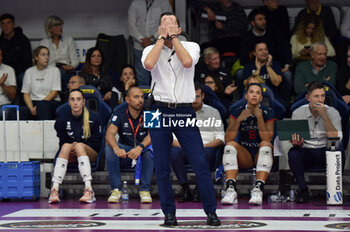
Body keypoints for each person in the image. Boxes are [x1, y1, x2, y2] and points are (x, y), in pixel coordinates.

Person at [141, 12, 220, 226]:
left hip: (184, 109)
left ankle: (211, 212)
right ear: (158, 28)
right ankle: (169, 214)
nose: (168, 27)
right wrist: (160, 39)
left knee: (199, 162)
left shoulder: (191, 46)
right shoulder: (150, 48)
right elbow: (148, 65)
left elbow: (186, 63)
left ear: (179, 27)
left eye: (172, 23)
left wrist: (174, 38)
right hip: (157, 109)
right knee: (162, 164)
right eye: (164, 24)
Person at [221, 83, 276, 205]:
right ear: (246, 95)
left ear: (261, 98)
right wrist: (239, 120)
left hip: (260, 153)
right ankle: (231, 189)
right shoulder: (236, 112)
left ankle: (258, 189)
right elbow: (228, 138)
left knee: (266, 145)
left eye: (258, 93)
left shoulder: (268, 112)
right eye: (251, 92)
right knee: (230, 145)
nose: (254, 95)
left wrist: (260, 117)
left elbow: (267, 138)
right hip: (244, 155)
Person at [288, 81, 342, 203]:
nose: (320, 99)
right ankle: (303, 190)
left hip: (327, 151)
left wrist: (325, 116)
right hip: (307, 151)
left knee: (338, 152)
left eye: (322, 96)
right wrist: (297, 142)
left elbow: (335, 139)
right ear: (308, 98)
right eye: (316, 96)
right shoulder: (298, 113)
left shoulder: (333, 112)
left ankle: (335, 190)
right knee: (293, 153)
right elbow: (295, 140)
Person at [171, 83, 224, 202]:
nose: (194, 100)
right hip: (184, 148)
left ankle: (199, 188)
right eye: (191, 97)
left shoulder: (213, 112)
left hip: (206, 147)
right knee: (174, 153)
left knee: (209, 153)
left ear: (203, 96)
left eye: (197, 96)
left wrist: (203, 146)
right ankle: (185, 189)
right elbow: (172, 139)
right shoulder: (180, 112)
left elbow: (221, 138)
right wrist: (188, 147)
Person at [48, 89, 102, 204]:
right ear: (68, 102)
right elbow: (62, 141)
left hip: (90, 152)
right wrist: (73, 146)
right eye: (72, 99)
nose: (75, 102)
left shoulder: (94, 117)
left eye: (78, 99)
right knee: (66, 146)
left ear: (83, 101)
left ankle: (89, 189)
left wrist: (78, 146)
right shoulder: (62, 119)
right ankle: (54, 189)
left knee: (79, 146)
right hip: (71, 152)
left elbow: (97, 144)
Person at [105, 87, 153, 203]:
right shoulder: (119, 112)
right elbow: (109, 134)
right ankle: (116, 189)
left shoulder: (150, 111)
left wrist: (140, 147)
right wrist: (116, 148)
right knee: (109, 149)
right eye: (136, 97)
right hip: (125, 151)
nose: (140, 100)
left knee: (150, 151)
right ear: (127, 99)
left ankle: (145, 190)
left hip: (142, 149)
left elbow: (152, 135)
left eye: (142, 97)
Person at [238, 8, 292, 97]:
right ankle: (242, 99)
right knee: (240, 73)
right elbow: (244, 58)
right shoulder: (246, 37)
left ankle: (285, 102)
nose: (264, 22)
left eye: (264, 19)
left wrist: (286, 65)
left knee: (287, 74)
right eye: (260, 19)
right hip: (252, 65)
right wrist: (257, 68)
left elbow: (286, 46)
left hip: (275, 64)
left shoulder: (273, 31)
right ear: (252, 23)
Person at [128, 0, 172, 86]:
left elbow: (168, 23)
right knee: (142, 77)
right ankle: (143, 98)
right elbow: (131, 25)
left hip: (158, 45)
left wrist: (153, 38)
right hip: (139, 45)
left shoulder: (164, 3)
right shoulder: (136, 3)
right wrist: (141, 39)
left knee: (160, 75)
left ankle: (158, 98)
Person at [39, 15, 79, 93]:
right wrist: (60, 66)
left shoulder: (69, 40)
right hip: (49, 71)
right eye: (56, 25)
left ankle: (64, 97)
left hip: (67, 71)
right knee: (59, 73)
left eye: (61, 25)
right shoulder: (44, 42)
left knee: (64, 74)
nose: (60, 28)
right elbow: (43, 62)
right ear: (50, 28)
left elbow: (75, 60)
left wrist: (71, 66)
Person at [20, 46, 61, 120]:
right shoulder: (29, 71)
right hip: (33, 103)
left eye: (48, 55)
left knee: (43, 106)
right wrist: (31, 108)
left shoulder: (55, 71)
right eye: (43, 55)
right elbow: (26, 93)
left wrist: (39, 106)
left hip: (50, 102)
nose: (46, 57)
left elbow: (55, 92)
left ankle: (45, 131)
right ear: (36, 57)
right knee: (17, 112)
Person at [0, 13, 32, 105]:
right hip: (4, 71)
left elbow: (27, 62)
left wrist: (13, 72)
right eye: (3, 23)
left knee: (22, 78)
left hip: (19, 71)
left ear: (13, 24)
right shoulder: (0, 41)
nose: (6, 26)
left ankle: (22, 107)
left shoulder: (23, 40)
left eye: (8, 23)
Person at [242, 42, 287, 106]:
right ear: (254, 53)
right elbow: (246, 83)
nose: (264, 52)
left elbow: (276, 83)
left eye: (266, 49)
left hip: (273, 97)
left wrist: (268, 67)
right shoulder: (249, 66)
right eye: (260, 50)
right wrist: (258, 70)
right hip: (253, 98)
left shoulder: (275, 64)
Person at [0, 47, 16, 120]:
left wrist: (2, 85)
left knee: (5, 113)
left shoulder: (8, 70)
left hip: (4, 104)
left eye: (0, 55)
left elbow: (13, 95)